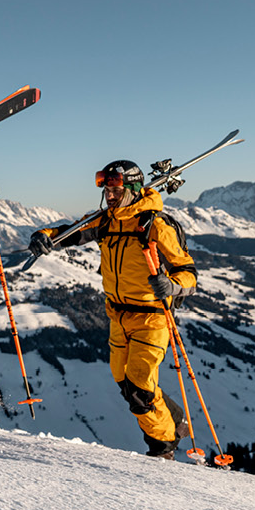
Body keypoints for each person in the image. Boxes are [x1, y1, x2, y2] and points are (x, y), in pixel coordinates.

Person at [27, 160, 196, 458]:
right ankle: (172, 418)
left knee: (140, 387)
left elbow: (188, 272)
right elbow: (71, 233)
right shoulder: (106, 221)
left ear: (132, 189)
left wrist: (171, 286)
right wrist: (44, 236)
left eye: (116, 190)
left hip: (151, 317)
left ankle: (165, 444)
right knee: (123, 381)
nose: (110, 195)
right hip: (117, 316)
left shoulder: (155, 223)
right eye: (107, 190)